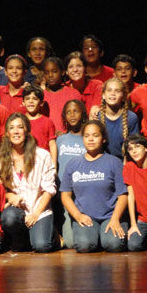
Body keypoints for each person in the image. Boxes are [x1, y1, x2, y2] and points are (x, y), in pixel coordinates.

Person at [60, 120, 128, 253]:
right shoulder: (73, 164)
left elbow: (123, 195)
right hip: (86, 217)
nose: (91, 139)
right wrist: (78, 216)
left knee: (113, 245)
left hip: (110, 216)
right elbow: (65, 195)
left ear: (103, 139)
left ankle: (103, 236)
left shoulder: (114, 162)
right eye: (87, 135)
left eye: (95, 135)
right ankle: (95, 236)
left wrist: (115, 219)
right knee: (85, 245)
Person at [0, 113, 57, 253]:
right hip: (18, 212)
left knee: (42, 246)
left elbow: (49, 189)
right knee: (9, 218)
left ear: (27, 131)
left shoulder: (42, 155)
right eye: (12, 128)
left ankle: (52, 234)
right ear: (7, 133)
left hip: (39, 210)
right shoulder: (0, 161)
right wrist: (9, 196)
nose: (16, 131)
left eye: (20, 127)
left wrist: (36, 214)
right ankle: (22, 240)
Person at [55, 99, 87, 248]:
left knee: (79, 242)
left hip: (82, 193)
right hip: (64, 193)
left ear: (83, 114)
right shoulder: (60, 139)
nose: (72, 115)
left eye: (76, 111)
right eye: (68, 112)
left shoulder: (88, 139)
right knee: (70, 243)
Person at [95, 77, 139, 160]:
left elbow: (135, 147)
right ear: (103, 95)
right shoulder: (97, 116)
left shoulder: (131, 118)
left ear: (123, 96)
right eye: (109, 90)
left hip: (123, 162)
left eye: (117, 91)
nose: (113, 93)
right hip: (102, 162)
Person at [41, 56, 82, 136]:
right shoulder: (40, 96)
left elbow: (80, 120)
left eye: (54, 71)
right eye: (46, 72)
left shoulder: (73, 94)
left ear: (62, 72)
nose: (50, 75)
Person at [23, 84, 57, 166]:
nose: (31, 101)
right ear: (23, 103)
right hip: (25, 162)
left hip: (43, 163)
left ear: (41, 103)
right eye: (27, 99)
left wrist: (54, 166)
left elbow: (52, 145)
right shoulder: (20, 121)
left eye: (35, 99)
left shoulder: (47, 122)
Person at [64, 51, 103, 116]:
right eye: (71, 67)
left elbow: (95, 114)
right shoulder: (63, 88)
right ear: (66, 72)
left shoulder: (97, 86)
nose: (75, 70)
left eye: (79, 66)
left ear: (85, 68)